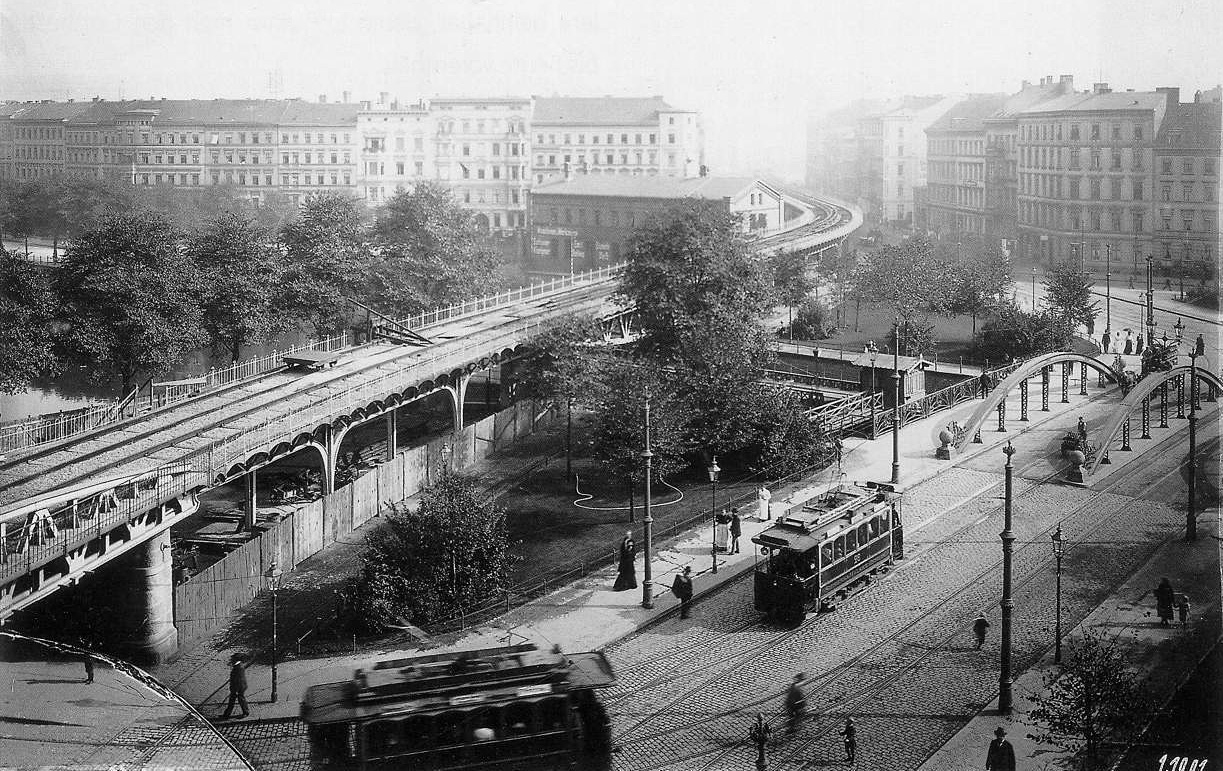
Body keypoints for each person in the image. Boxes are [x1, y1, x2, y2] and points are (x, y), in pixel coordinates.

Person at [221, 654, 250, 719]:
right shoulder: (238, 666)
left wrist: (236, 690)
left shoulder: (239, 667)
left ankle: (246, 712)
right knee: (232, 700)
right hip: (236, 687)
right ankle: (226, 714)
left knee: (241, 700)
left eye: (232, 659)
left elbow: (240, 680)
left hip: (239, 687)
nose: (231, 660)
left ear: (235, 659)